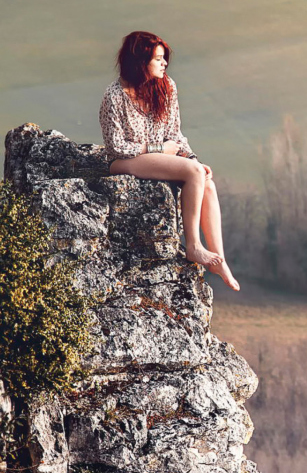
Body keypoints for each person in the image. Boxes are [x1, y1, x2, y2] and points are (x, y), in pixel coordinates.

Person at [99, 30, 239, 291]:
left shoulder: (167, 87)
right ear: (140, 62)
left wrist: (192, 158)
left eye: (164, 59)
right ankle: (194, 246)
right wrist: (158, 148)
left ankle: (219, 259)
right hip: (123, 162)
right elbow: (116, 146)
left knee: (206, 181)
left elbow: (175, 134)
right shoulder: (114, 96)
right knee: (194, 173)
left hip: (158, 157)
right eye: (158, 59)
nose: (164, 64)